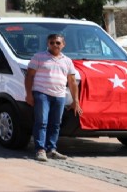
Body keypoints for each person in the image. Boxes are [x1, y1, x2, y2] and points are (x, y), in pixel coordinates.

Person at [25, 34, 82, 162]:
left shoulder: (67, 61)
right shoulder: (38, 57)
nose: (55, 45)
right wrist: (29, 94)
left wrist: (75, 101)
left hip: (59, 95)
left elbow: (72, 82)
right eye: (52, 43)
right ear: (47, 44)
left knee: (56, 124)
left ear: (63, 44)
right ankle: (40, 150)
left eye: (58, 43)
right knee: (42, 122)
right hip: (41, 93)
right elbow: (29, 76)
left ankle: (52, 149)